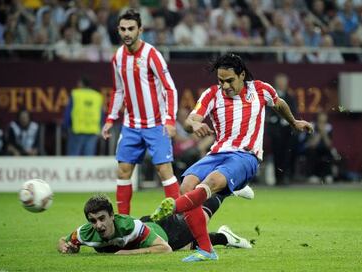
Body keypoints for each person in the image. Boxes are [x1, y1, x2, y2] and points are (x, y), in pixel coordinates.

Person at [150, 53, 314, 262]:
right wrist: (196, 125)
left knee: (212, 182)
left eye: (229, 80)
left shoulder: (260, 89)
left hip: (246, 155)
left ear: (242, 75)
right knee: (186, 185)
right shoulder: (212, 94)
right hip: (218, 153)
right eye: (220, 81)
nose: (225, 85)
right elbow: (190, 120)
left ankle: (174, 207)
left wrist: (294, 122)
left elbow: (279, 103)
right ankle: (207, 250)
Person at [101, 10, 180, 215]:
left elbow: (170, 88)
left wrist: (170, 120)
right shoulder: (118, 57)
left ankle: (181, 219)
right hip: (131, 126)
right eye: (123, 29)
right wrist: (110, 119)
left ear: (140, 30)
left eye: (131, 29)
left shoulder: (152, 54)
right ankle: (123, 222)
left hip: (156, 124)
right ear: (118, 30)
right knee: (123, 171)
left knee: (164, 171)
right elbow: (118, 90)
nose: (127, 33)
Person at [58, 194, 251, 255]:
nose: (98, 225)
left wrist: (126, 253)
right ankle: (226, 237)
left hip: (168, 231)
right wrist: (65, 247)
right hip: (149, 225)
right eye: (93, 221)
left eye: (102, 219)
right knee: (193, 246)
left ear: (112, 216)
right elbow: (65, 241)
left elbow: (164, 248)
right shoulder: (85, 233)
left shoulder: (129, 226)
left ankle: (227, 189)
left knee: (200, 217)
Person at [266, 73, 298, 185]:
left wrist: (287, 120)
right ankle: (278, 178)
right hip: (275, 132)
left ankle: (285, 177)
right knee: (276, 155)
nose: (282, 84)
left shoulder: (290, 97)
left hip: (287, 132)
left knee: (287, 155)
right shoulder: (270, 97)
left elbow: (294, 112)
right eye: (280, 82)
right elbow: (267, 112)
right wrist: (275, 119)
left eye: (283, 82)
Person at [63, 76, 103, 156]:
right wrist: (101, 127)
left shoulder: (75, 94)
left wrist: (65, 127)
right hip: (93, 130)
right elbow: (102, 114)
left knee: (73, 157)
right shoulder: (97, 96)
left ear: (81, 83)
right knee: (88, 158)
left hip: (77, 130)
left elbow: (68, 112)